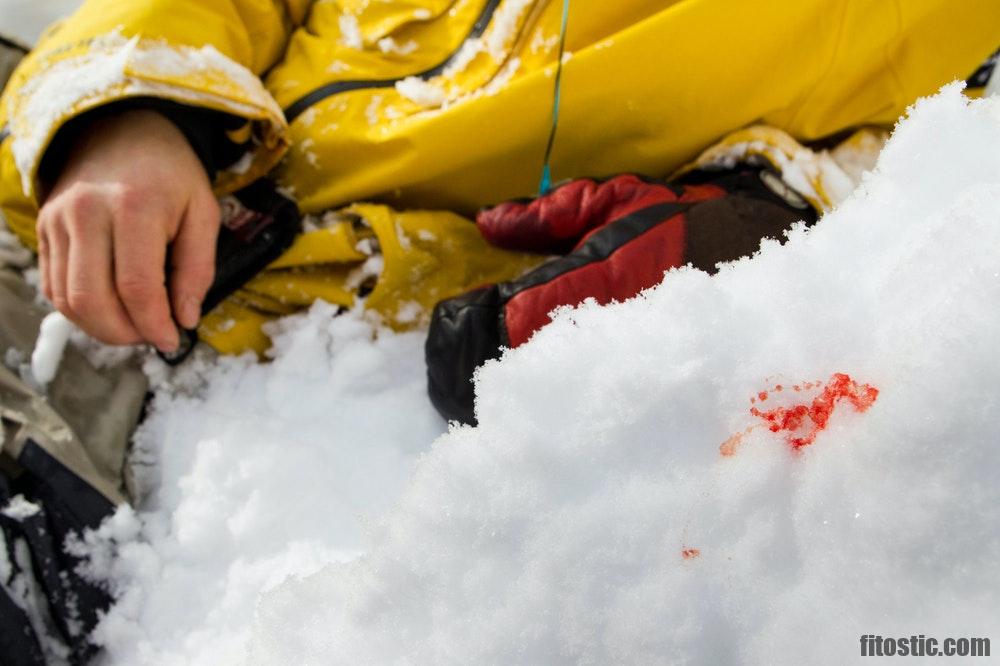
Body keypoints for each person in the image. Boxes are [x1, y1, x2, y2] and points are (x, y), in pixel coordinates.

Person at [0, 1, 997, 662]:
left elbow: (953, 163)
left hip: (287, 346)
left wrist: (769, 205)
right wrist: (124, 106)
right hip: (50, 166)